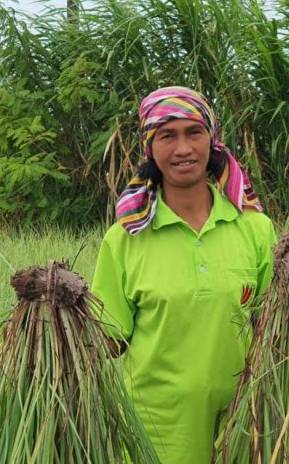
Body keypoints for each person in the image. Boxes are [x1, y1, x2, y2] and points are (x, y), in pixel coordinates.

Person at [91, 86, 277, 463]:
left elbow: (277, 328)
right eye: (167, 136)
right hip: (159, 431)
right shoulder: (125, 238)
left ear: (212, 139)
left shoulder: (254, 228)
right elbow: (108, 339)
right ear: (149, 146)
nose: (183, 148)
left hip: (244, 425)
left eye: (194, 133)